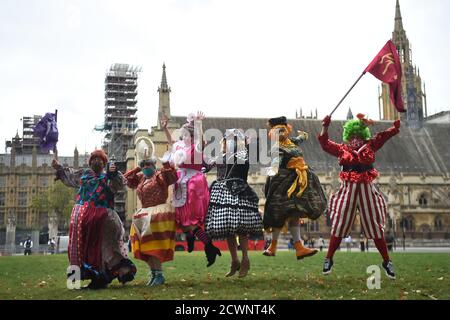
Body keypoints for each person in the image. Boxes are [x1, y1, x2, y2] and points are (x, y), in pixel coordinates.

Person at [319, 113, 400, 280]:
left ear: (363, 136)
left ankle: (387, 261)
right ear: (348, 136)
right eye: (353, 136)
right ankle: (328, 258)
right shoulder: (342, 149)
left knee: (375, 226)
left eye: (358, 136)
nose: (355, 140)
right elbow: (325, 144)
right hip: (348, 187)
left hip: (366, 187)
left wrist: (394, 128)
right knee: (340, 224)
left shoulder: (370, 146)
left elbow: (383, 137)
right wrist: (325, 126)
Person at [52, 150, 136, 289]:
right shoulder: (84, 175)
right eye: (94, 159)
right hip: (84, 218)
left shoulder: (108, 176)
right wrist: (59, 168)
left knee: (105, 248)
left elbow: (119, 183)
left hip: (103, 218)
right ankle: (96, 277)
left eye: (100, 159)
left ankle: (110, 274)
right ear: (90, 163)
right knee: (83, 248)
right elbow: (70, 176)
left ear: (104, 164)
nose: (96, 161)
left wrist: (113, 174)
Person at [161, 112, 221, 267]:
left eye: (189, 134)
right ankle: (191, 238)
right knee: (182, 220)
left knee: (190, 222)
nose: (186, 137)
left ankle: (208, 246)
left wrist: (199, 124)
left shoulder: (197, 147)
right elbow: (172, 142)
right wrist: (165, 129)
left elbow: (200, 141)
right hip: (180, 184)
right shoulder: (180, 146)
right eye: (185, 134)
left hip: (193, 185)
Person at [263, 116, 327, 260]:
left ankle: (299, 248)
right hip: (284, 182)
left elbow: (298, 140)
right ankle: (272, 246)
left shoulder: (290, 142)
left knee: (295, 213)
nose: (282, 132)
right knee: (280, 213)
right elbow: (274, 166)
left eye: (284, 129)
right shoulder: (276, 147)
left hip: (299, 180)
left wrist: (303, 136)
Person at [205, 130, 263, 278]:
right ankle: (234, 261)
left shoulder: (241, 155)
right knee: (228, 230)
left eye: (233, 140)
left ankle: (245, 259)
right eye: (227, 140)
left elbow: (251, 158)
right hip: (222, 192)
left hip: (239, 191)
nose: (229, 143)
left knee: (241, 228)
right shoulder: (220, 157)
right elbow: (205, 167)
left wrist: (250, 145)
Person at [125, 154, 178, 286]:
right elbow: (125, 179)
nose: (145, 167)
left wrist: (165, 163)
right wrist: (137, 168)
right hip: (143, 214)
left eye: (148, 164)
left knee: (153, 245)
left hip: (157, 214)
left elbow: (172, 176)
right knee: (143, 246)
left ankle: (159, 274)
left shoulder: (160, 175)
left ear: (154, 165)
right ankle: (154, 273)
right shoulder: (141, 177)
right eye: (143, 165)